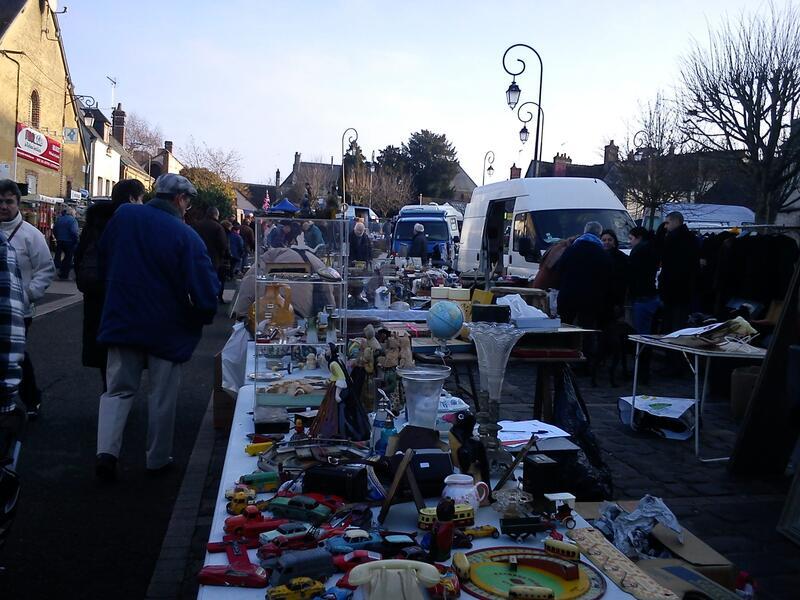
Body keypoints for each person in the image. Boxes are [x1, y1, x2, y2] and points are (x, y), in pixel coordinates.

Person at [95, 174, 219, 481]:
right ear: (180, 200)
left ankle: (106, 453)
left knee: (117, 390)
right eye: (188, 202)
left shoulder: (124, 216)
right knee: (162, 396)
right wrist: (203, 313)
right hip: (166, 326)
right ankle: (157, 459)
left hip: (122, 317)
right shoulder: (185, 235)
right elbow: (204, 288)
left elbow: (104, 256)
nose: (188, 208)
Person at [75, 179, 146, 389]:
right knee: (124, 352)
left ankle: (110, 392)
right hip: (120, 295)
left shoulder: (94, 223)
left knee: (104, 355)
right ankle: (118, 399)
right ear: (133, 198)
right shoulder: (129, 224)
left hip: (96, 297)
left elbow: (79, 258)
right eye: (141, 199)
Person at [0, 179, 55, 418]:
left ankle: (31, 398)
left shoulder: (31, 235)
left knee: (17, 354)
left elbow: (45, 269)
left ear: (18, 204)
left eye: (9, 201)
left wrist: (28, 294)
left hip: (18, 309)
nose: (3, 206)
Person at [556, 221, 611, 328]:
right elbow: (606, 277)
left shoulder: (570, 250)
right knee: (587, 330)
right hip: (590, 300)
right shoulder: (602, 254)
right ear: (599, 234)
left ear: (584, 232)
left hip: (568, 296)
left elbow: (560, 269)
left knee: (565, 327)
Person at [659, 211, 700, 333]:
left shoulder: (674, 239)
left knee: (673, 323)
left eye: (667, 222)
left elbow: (670, 265)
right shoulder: (690, 238)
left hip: (674, 289)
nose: (665, 226)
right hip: (682, 289)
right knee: (677, 323)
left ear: (675, 221)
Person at [627, 226, 660, 335]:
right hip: (651, 294)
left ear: (639, 238)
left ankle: (642, 350)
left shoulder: (638, 251)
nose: (629, 242)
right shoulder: (652, 248)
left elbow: (632, 274)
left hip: (641, 296)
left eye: (631, 238)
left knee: (641, 331)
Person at [194, 206, 230, 304]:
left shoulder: (197, 225)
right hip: (214, 258)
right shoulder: (218, 227)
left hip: (198, 257)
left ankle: (200, 298)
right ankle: (215, 297)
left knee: (201, 280)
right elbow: (223, 244)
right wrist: (224, 255)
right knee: (216, 279)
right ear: (216, 215)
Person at [600, 229, 628, 322]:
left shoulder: (622, 258)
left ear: (614, 241)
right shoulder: (598, 256)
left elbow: (622, 281)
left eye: (609, 240)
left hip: (615, 300)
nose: (606, 242)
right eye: (604, 240)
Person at [52, 207, 79, 280]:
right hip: (69, 241)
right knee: (68, 257)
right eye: (75, 213)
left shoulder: (60, 219)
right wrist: (76, 239)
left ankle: (57, 270)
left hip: (60, 240)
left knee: (58, 257)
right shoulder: (73, 220)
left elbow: (54, 229)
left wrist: (58, 237)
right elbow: (74, 231)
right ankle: (64, 274)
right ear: (72, 213)